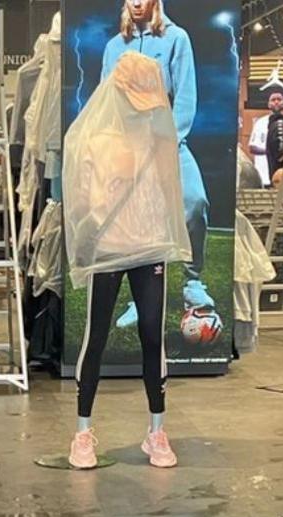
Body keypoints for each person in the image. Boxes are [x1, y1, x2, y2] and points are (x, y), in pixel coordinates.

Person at [64, 52, 191, 470]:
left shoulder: (157, 140)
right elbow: (82, 200)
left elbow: (170, 197)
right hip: (111, 247)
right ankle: (82, 432)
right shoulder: (94, 140)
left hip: (149, 247)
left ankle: (157, 430)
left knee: (153, 334)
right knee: (96, 334)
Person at [100, 0, 216, 330]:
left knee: (194, 202)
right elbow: (106, 99)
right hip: (128, 147)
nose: (136, 2)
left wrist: (167, 141)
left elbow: (185, 96)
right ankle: (140, 299)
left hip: (169, 142)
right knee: (139, 220)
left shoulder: (177, 38)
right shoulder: (113, 47)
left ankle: (192, 282)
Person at [248, 92, 283, 187]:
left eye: (279, 99)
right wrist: (271, 152)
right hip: (263, 175)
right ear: (269, 104)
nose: (276, 102)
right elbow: (252, 147)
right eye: (273, 100)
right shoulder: (260, 123)